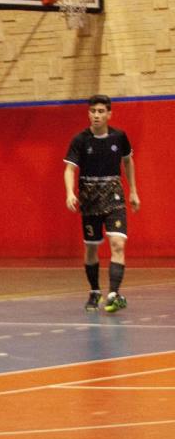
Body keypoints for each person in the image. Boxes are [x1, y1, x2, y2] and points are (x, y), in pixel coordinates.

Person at [64, 94, 140, 313]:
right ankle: (95, 291)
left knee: (118, 244)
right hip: (90, 199)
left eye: (100, 111)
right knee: (91, 248)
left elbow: (128, 162)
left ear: (109, 114)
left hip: (114, 197)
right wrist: (70, 192)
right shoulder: (80, 140)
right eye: (92, 111)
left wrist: (133, 191)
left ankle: (114, 294)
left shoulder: (119, 137)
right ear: (88, 114)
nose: (96, 115)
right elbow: (69, 169)